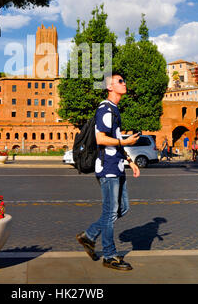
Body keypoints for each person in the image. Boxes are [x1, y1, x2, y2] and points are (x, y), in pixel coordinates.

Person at [76, 71, 140, 271]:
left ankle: (88, 236)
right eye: (120, 81)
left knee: (122, 209)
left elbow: (116, 140)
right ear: (110, 87)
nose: (124, 83)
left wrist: (130, 160)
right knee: (111, 212)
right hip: (108, 168)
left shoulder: (115, 109)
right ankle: (110, 256)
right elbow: (101, 139)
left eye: (124, 80)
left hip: (118, 167)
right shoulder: (105, 108)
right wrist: (124, 141)